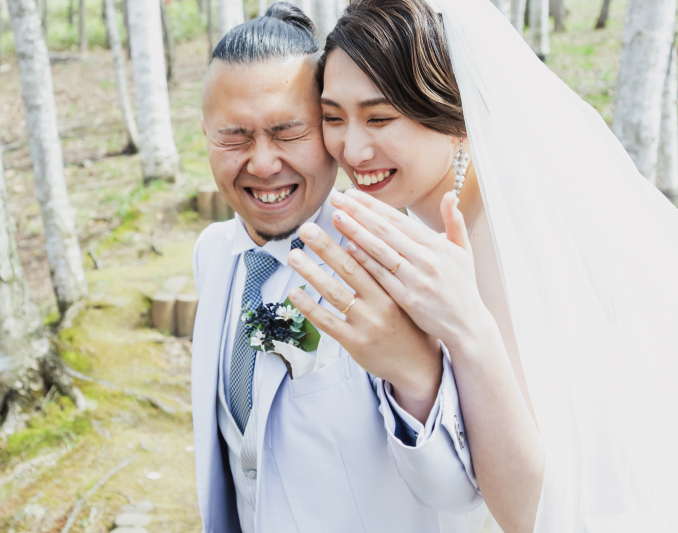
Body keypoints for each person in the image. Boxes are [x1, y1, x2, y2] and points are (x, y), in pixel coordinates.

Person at [287, 0, 678, 531]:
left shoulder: (502, 240)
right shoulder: (431, 222)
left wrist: (465, 328)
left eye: (380, 117)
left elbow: (531, 513)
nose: (352, 148)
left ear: (458, 115)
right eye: (333, 117)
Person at [191, 4, 487, 532]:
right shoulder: (211, 254)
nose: (262, 163)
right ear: (206, 135)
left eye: (289, 133)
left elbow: (457, 491)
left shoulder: (397, 261)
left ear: (328, 130)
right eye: (234, 136)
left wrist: (413, 374)